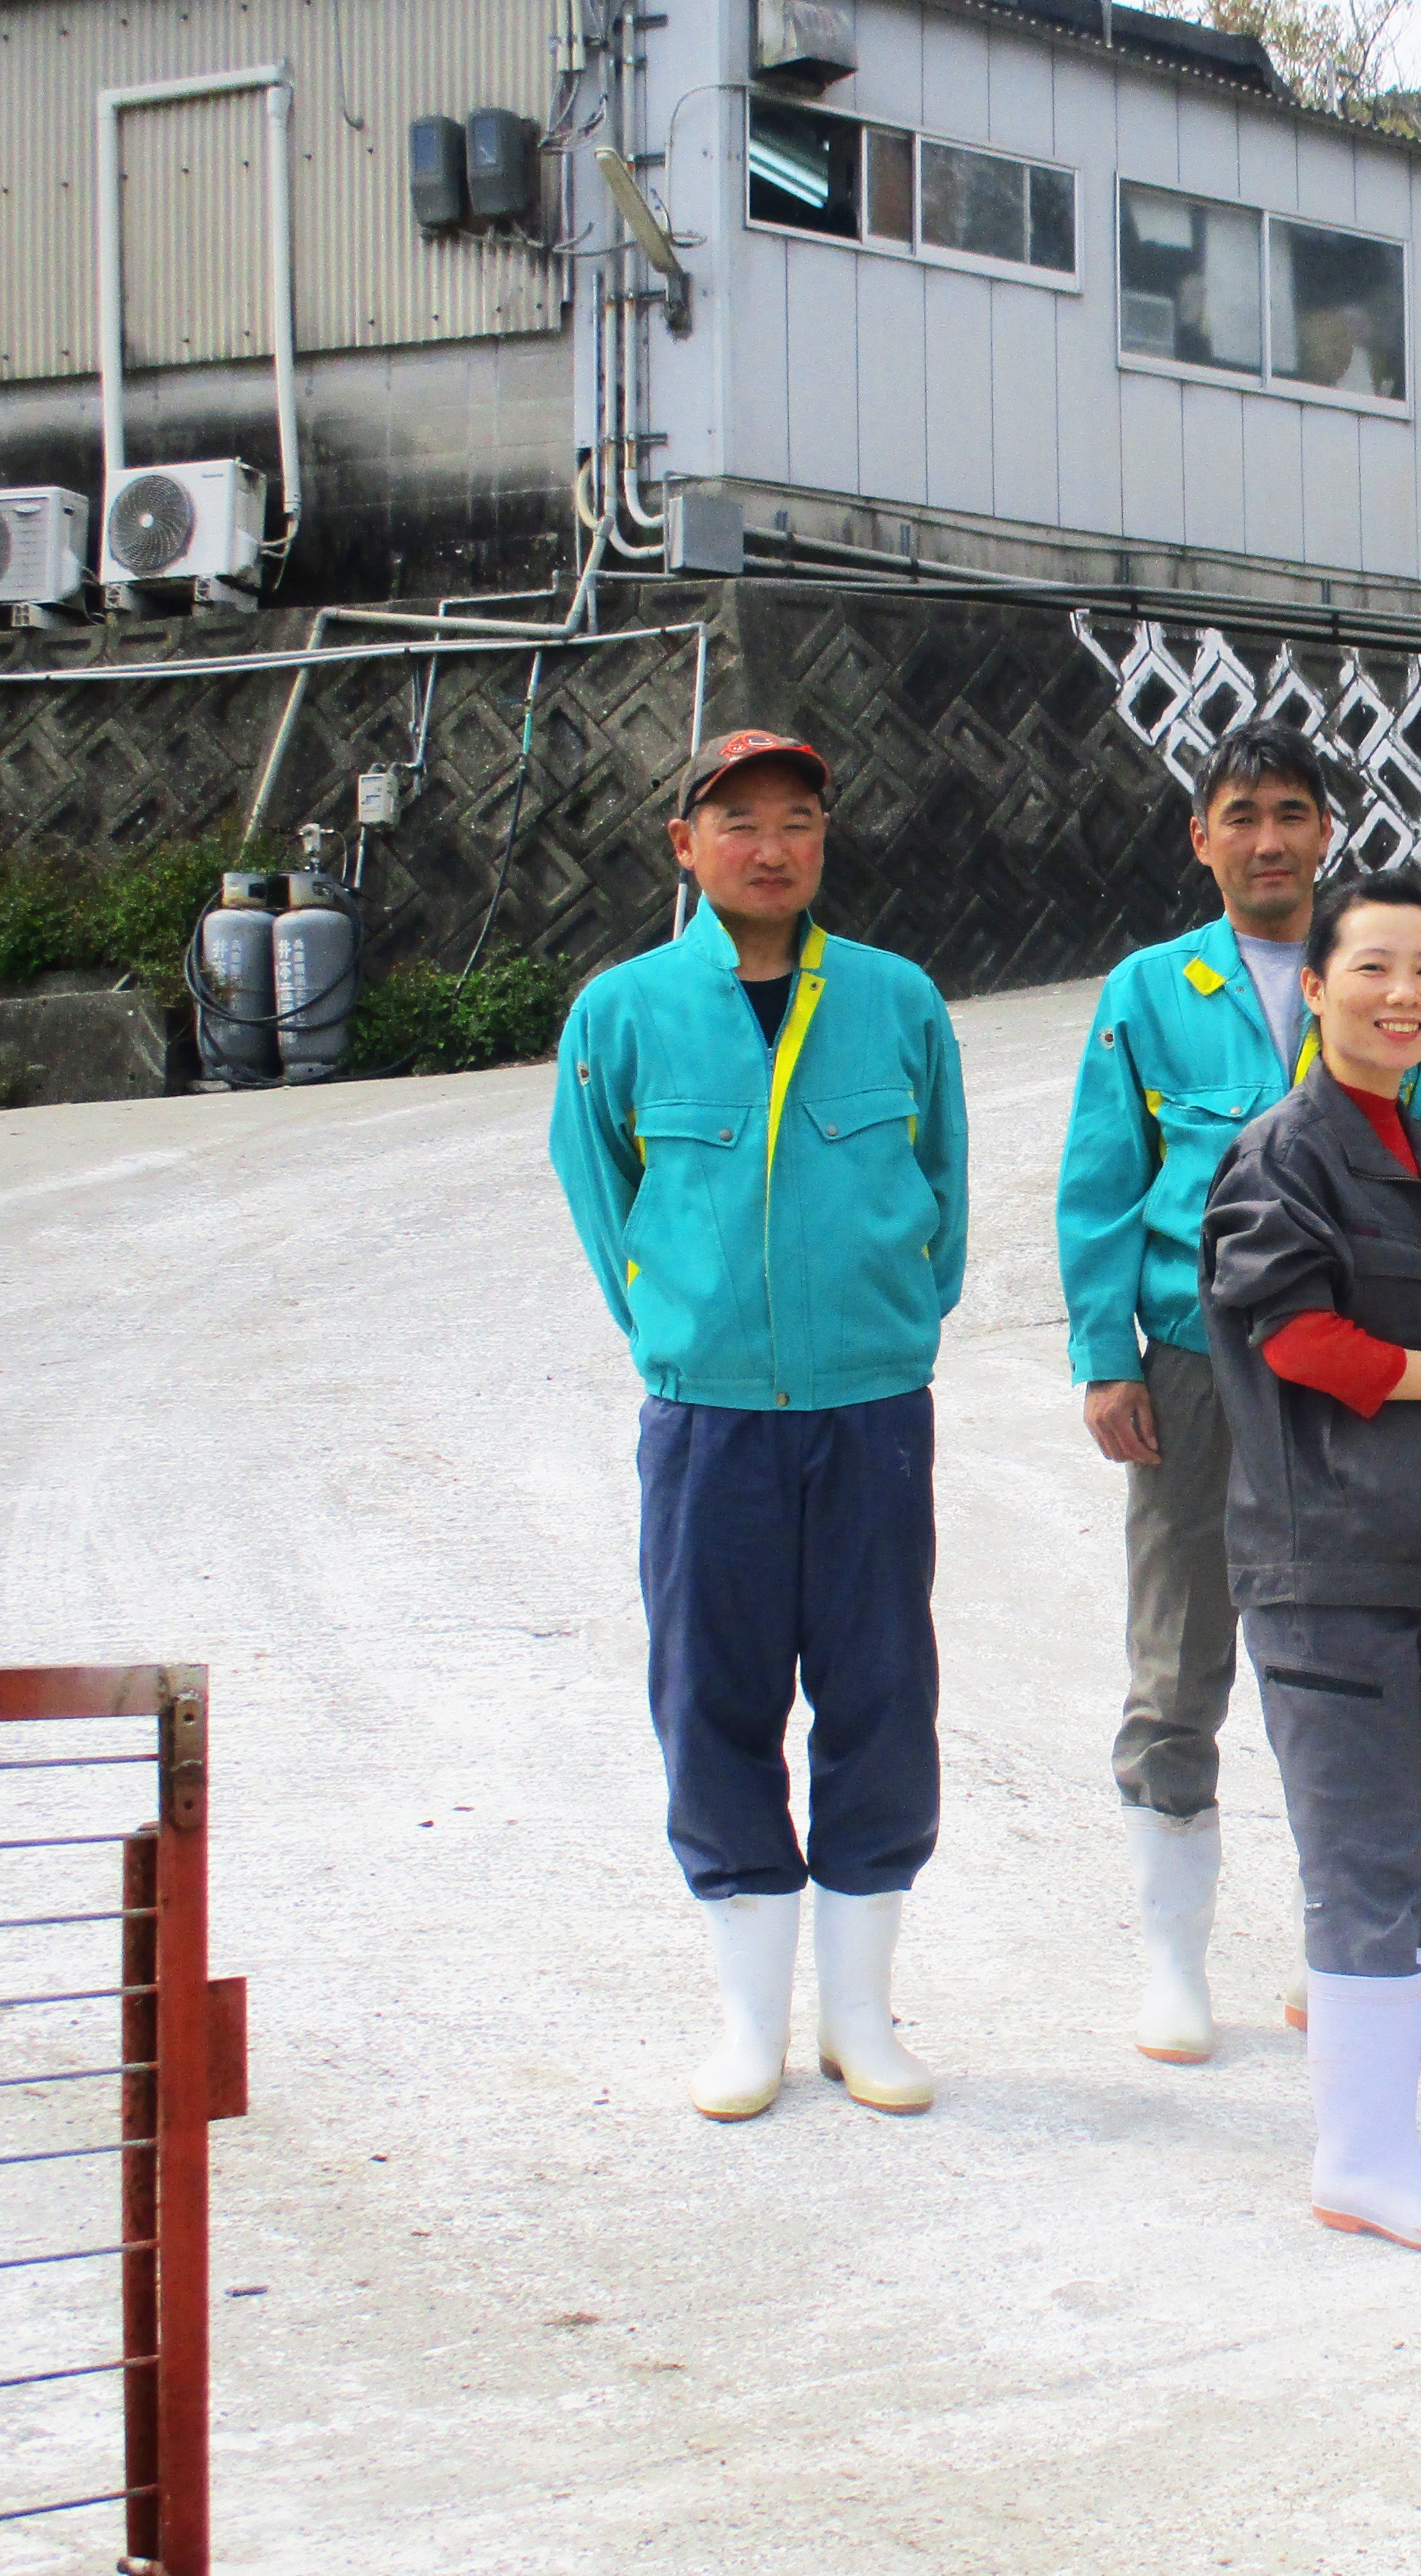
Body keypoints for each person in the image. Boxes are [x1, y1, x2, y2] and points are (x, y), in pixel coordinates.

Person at [548, 728, 969, 2122]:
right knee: (710, 1697)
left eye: (798, 819)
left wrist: (886, 1318)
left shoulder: (897, 1000)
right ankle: (748, 2023)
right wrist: (684, 1327)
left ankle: (860, 2014)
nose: (771, 845)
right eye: (738, 822)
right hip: (709, 1423)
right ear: (685, 845)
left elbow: (942, 1192)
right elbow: (604, 1196)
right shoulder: (619, 1012)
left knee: (878, 1692)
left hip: (868, 1414)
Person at [1057, 719, 1421, 2062]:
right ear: (1201, 836)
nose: (1268, 838)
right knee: (1180, 1650)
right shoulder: (1148, 987)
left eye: (1292, 812)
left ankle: (1336, 1937)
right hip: (1196, 1358)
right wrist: (1104, 1350)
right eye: (1239, 814)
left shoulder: (1385, 972)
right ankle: (1172, 1954)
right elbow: (1099, 1180)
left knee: (1361, 1647)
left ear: (1326, 830)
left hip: (1373, 1368)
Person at [1199, 870, 1421, 2251]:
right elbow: (1294, 1337)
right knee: (1363, 1862)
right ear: (1313, 985)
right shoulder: (1286, 1149)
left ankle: (1378, 2138)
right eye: (1371, 968)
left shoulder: (1420, 1143)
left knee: (1407, 1858)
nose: (1403, 993)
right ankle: (1358, 2157)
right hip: (1328, 1563)